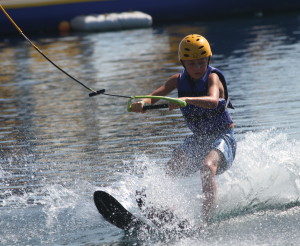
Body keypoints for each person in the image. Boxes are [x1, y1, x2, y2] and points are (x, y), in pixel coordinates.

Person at [131, 34, 237, 225]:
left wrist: (185, 100)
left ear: (208, 60)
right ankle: (159, 208)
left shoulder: (213, 78)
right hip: (199, 139)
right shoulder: (177, 80)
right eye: (192, 64)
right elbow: (152, 97)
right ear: (183, 62)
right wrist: (141, 103)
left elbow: (213, 101)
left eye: (201, 62)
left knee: (206, 167)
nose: (197, 68)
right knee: (171, 168)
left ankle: (206, 222)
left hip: (223, 138)